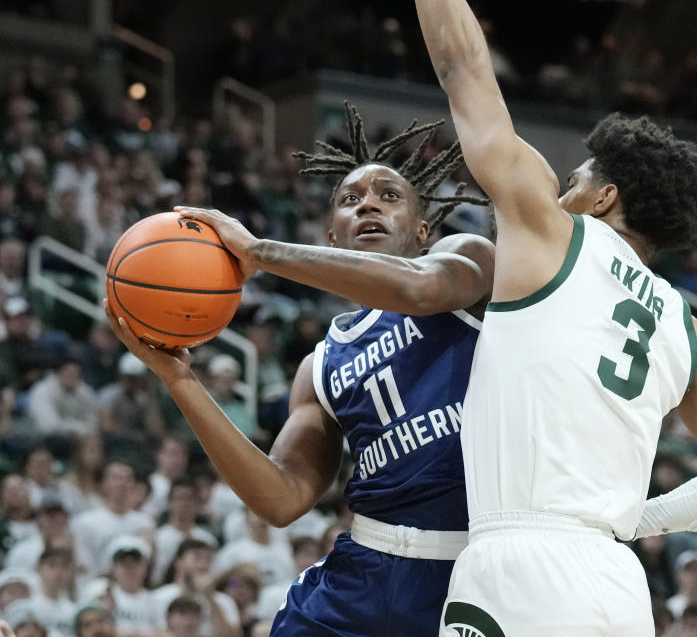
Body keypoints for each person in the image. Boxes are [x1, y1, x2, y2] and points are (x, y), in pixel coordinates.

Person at [413, 0, 697, 634]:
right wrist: (637, 520)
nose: (560, 191)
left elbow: (462, 67)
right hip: (617, 586)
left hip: (520, 565)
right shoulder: (685, 328)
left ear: (605, 196)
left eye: (576, 180)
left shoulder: (552, 233)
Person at [106, 103, 495, 636]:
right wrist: (181, 381)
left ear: (424, 229)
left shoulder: (466, 261)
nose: (367, 206)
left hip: (466, 574)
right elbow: (282, 499)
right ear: (331, 237)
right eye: (349, 200)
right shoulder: (322, 363)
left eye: (389, 196)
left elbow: (420, 288)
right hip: (362, 573)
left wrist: (260, 252)